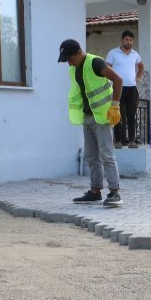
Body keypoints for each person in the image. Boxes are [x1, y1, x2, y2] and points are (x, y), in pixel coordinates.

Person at [58, 39, 124, 207]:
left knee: (107, 154)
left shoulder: (95, 62)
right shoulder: (74, 69)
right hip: (87, 116)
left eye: (71, 59)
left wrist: (115, 105)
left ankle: (115, 192)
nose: (70, 63)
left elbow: (118, 80)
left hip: (102, 116)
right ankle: (95, 191)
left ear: (79, 53)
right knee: (91, 156)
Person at [106, 30, 144, 148]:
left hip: (132, 89)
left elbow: (141, 66)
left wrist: (138, 77)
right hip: (118, 89)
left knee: (132, 116)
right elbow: (107, 67)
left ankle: (132, 141)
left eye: (131, 40)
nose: (129, 42)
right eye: (127, 39)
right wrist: (110, 80)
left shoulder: (135, 54)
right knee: (118, 115)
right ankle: (117, 141)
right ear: (122, 40)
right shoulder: (113, 53)